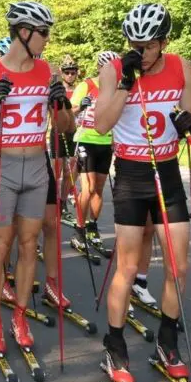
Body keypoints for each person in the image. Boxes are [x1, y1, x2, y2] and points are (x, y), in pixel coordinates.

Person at [94, 3, 191, 382]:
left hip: (167, 172)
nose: (140, 51)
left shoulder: (180, 66)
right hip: (132, 175)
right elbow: (103, 125)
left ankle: (167, 340)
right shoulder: (114, 71)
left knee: (179, 266)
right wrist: (126, 82)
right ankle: (115, 346)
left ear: (163, 42)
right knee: (126, 267)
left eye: (148, 45)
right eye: (134, 44)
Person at [0, 2, 74, 353]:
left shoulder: (48, 72)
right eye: (44, 32)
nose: (47, 39)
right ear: (24, 32)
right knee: (0, 245)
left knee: (30, 245)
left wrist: (63, 105)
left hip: (37, 168)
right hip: (3, 165)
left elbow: (65, 130)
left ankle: (20, 315)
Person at [70, 51, 118, 255]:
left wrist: (116, 140)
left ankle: (92, 226)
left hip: (105, 142)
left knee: (99, 188)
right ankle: (79, 228)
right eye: (107, 68)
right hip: (86, 140)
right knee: (87, 188)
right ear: (99, 67)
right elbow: (68, 111)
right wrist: (81, 106)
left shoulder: (117, 89)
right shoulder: (86, 86)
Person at [51, 55, 79, 225]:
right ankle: (53, 204)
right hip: (57, 131)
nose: (70, 75)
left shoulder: (79, 89)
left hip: (74, 133)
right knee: (57, 172)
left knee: (70, 172)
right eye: (67, 72)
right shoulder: (57, 87)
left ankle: (62, 205)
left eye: (73, 72)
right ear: (61, 73)